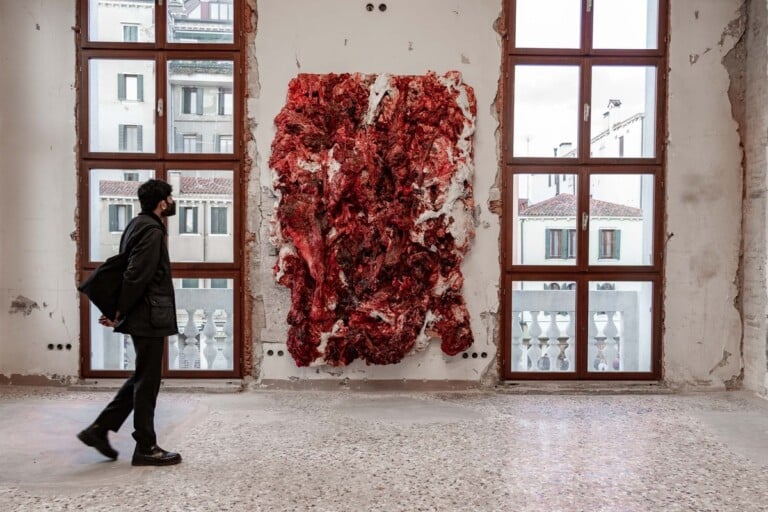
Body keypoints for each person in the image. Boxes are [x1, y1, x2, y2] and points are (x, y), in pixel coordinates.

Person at [77, 179, 182, 466]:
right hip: (148, 314)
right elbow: (136, 275)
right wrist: (119, 311)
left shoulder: (138, 225)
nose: (172, 203)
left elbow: (131, 272)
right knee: (148, 381)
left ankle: (99, 429)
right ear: (162, 202)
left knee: (142, 377)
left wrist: (120, 310)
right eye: (170, 198)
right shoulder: (151, 230)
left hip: (142, 312)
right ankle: (146, 446)